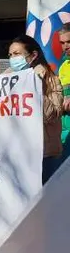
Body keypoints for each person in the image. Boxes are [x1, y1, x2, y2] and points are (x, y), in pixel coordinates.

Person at [6, 35, 63, 183]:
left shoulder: (51, 80)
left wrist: (36, 85)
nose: (13, 58)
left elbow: (50, 115)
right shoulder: (6, 79)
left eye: (17, 54)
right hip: (15, 153)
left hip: (44, 154)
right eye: (10, 55)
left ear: (33, 55)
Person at [56, 24, 70, 161]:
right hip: (64, 134)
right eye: (62, 43)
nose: (66, 46)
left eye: (69, 42)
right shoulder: (63, 67)